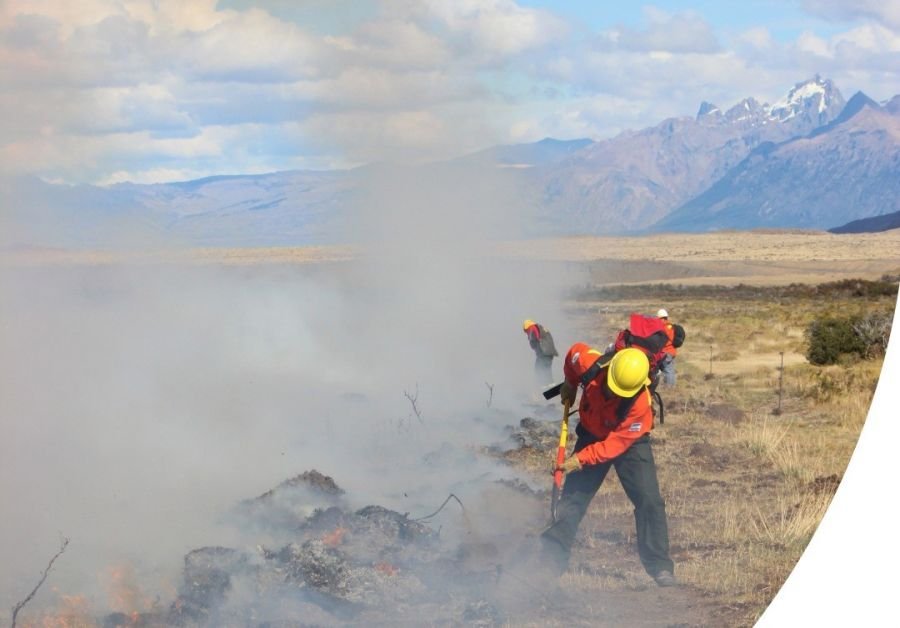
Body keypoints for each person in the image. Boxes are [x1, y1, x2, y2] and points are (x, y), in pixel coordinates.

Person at [541, 344, 676, 587]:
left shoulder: (640, 406)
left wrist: (579, 459)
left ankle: (660, 567)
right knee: (572, 499)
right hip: (592, 432)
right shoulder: (591, 363)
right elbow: (573, 354)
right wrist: (570, 383)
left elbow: (613, 446)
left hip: (628, 443)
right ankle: (550, 562)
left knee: (649, 501)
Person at [523, 319, 558, 385]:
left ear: (526, 327)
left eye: (525, 331)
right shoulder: (540, 327)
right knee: (545, 368)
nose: (526, 333)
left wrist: (531, 341)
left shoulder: (532, 328)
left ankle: (547, 385)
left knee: (540, 368)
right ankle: (549, 384)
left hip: (544, 352)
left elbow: (535, 341)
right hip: (549, 352)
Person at [656, 308, 677, 387]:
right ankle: (672, 387)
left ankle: (668, 388)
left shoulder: (664, 327)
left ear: (661, 318)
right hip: (672, 351)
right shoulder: (670, 326)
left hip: (666, 352)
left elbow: (662, 341)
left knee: (667, 370)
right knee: (670, 370)